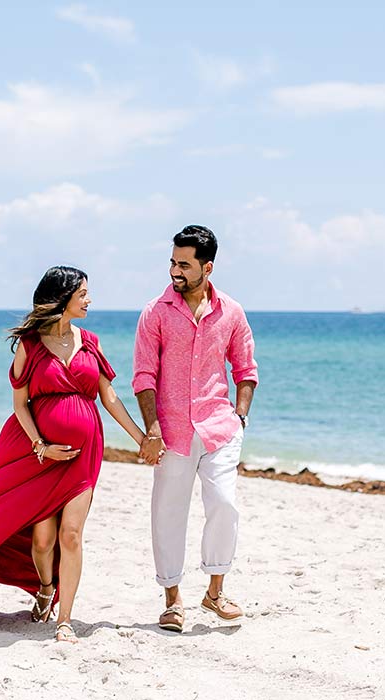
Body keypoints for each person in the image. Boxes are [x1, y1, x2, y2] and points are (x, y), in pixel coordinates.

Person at [0, 266, 147, 643]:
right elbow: (20, 404)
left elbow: (109, 398)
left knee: (70, 535)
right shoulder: (31, 345)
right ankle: (44, 588)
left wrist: (140, 438)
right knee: (42, 541)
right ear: (64, 297)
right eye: (83, 293)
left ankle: (65, 620)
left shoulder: (90, 341)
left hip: (84, 455)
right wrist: (41, 446)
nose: (89, 300)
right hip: (38, 458)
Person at [132, 225, 258, 633]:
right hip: (171, 432)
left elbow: (245, 368)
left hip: (220, 427)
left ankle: (215, 590)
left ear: (208, 266)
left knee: (224, 504)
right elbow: (144, 375)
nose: (175, 270)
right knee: (168, 513)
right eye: (172, 261)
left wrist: (240, 415)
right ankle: (172, 600)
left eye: (183, 264)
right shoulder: (155, 312)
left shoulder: (232, 312)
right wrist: (152, 429)